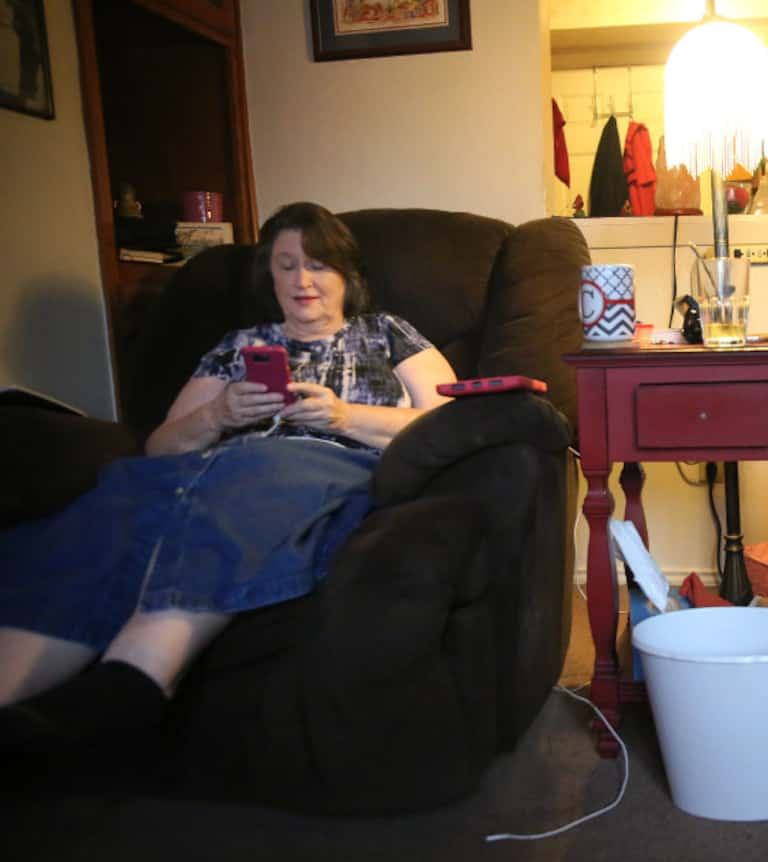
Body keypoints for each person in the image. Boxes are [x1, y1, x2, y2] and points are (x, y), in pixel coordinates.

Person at [0, 201, 457, 758]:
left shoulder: (387, 333)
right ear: (269, 275)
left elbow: (448, 426)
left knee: (250, 487)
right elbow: (161, 447)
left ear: (347, 275)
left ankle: (134, 683)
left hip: (315, 469)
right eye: (286, 265)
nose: (302, 280)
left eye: (318, 264)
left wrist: (344, 416)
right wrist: (218, 416)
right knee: (121, 497)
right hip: (210, 470)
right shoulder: (237, 346)